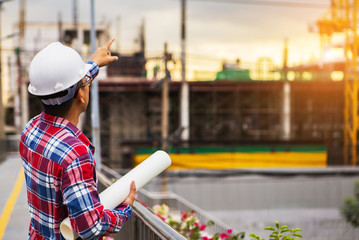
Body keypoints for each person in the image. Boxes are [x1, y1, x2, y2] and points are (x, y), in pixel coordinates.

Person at [19, 39, 136, 240]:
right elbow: (90, 227)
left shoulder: (30, 130)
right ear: (81, 95)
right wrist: (124, 208)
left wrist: (94, 64)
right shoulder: (75, 153)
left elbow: (67, 87)